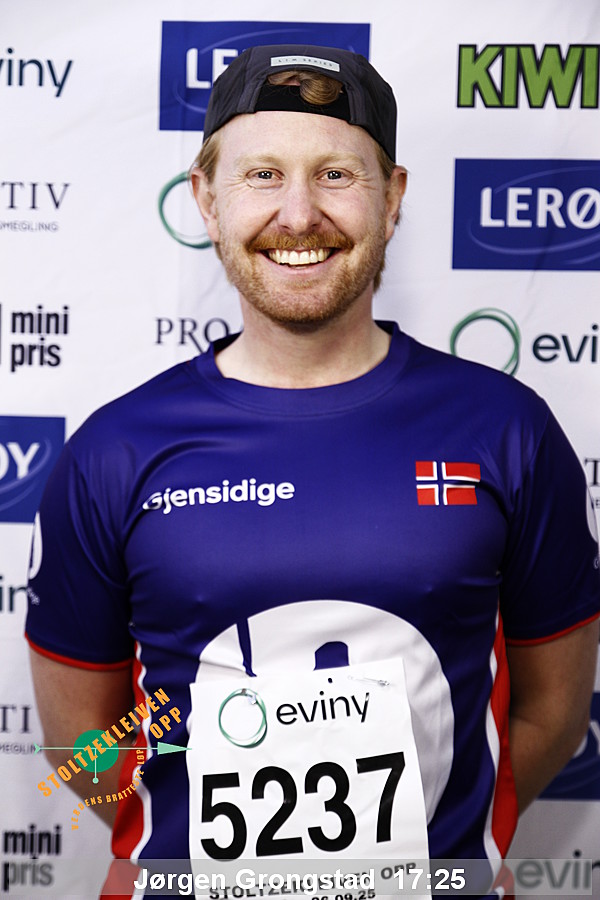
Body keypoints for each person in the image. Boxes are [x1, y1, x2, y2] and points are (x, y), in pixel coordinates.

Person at [26, 43, 599, 897]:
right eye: (262, 175)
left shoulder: (505, 428)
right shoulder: (115, 449)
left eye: (336, 175)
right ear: (206, 200)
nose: (298, 215)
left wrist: (442, 847)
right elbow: (82, 742)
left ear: (392, 199)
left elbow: (554, 711)